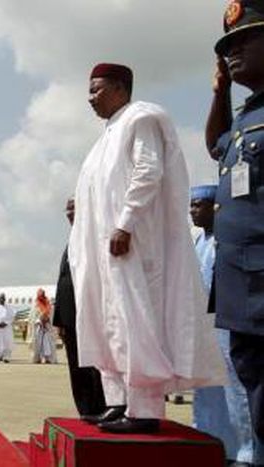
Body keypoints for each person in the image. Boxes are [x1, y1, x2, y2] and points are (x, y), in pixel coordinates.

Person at [69, 63, 224, 434]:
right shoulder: (106, 136)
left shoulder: (141, 117)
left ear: (120, 88)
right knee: (109, 325)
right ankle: (118, 402)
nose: (90, 98)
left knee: (134, 322)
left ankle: (145, 410)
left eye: (97, 89)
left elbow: (147, 171)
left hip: (132, 245)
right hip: (104, 252)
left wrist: (126, 223)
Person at [207, 2, 264, 457]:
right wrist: (220, 91)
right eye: (227, 46)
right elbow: (215, 145)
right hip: (244, 294)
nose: (231, 52)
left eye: (243, 40)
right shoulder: (245, 119)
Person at [190, 185, 260, 465]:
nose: (192, 211)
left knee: (235, 385)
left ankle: (247, 450)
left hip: (226, 319)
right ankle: (209, 440)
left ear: (214, 207)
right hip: (203, 324)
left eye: (198, 205)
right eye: (191, 206)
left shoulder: (227, 238)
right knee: (206, 387)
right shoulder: (197, 242)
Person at [53, 197, 106, 418]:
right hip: (69, 316)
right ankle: (85, 409)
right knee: (75, 365)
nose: (70, 213)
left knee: (93, 365)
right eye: (67, 210)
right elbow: (63, 281)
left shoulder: (95, 236)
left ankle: (99, 408)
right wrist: (59, 319)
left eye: (74, 209)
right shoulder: (72, 240)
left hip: (89, 314)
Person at [30, 289, 57, 364]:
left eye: (43, 294)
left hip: (48, 327)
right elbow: (32, 317)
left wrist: (47, 320)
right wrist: (39, 321)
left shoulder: (48, 304)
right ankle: (37, 358)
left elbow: (51, 315)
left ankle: (48, 358)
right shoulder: (35, 305)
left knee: (48, 343)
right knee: (38, 344)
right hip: (38, 327)